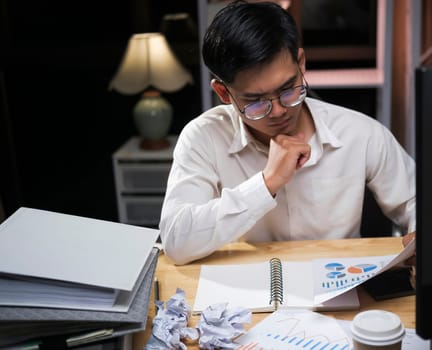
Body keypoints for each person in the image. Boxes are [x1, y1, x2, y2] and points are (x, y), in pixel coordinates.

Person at [159, 0, 416, 265]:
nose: (279, 111)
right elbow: (177, 242)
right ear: (224, 93)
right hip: (247, 293)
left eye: (288, 89)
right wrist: (267, 183)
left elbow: (417, 200)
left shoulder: (360, 132)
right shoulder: (203, 138)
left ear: (301, 64)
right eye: (256, 102)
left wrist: (419, 235)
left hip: (340, 289)